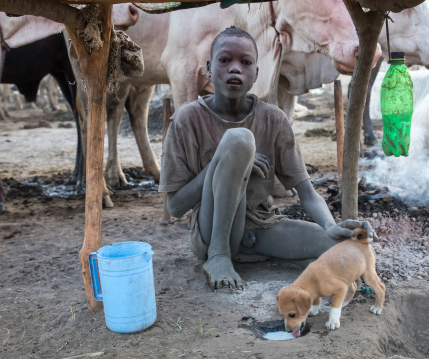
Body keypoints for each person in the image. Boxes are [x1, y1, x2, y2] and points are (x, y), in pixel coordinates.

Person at [158, 27, 376, 289]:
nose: (235, 69)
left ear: (257, 74)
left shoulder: (273, 119)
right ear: (208, 67)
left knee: (348, 250)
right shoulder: (187, 120)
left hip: (261, 227)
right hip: (210, 229)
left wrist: (330, 225)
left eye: (245, 62)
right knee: (239, 140)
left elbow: (306, 192)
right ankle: (219, 255)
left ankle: (265, 257)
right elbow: (175, 207)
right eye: (225, 60)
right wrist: (224, 160)